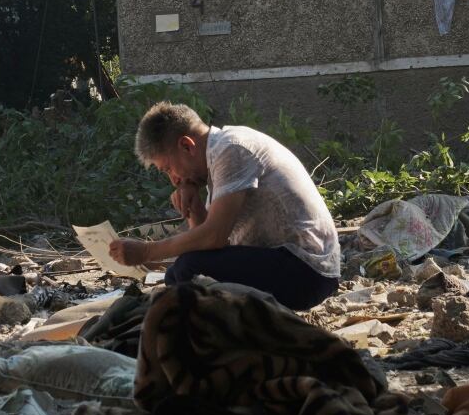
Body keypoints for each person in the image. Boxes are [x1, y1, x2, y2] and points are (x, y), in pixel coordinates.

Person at [109, 101, 340, 310]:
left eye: (169, 168)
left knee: (187, 270)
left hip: (307, 271)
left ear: (187, 146)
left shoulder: (231, 150)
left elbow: (213, 237)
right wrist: (195, 204)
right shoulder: (217, 158)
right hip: (291, 265)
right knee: (178, 274)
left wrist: (146, 251)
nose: (173, 179)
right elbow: (212, 247)